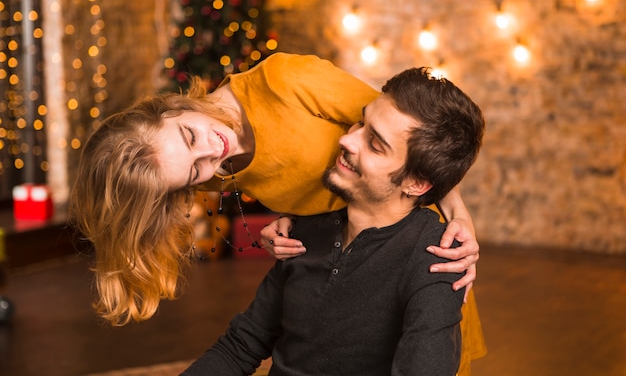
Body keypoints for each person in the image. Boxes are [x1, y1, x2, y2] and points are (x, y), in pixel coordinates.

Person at [68, 53, 485, 373]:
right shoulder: (200, 169)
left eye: (190, 134)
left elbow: (414, 137)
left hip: (394, 254)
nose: (214, 151)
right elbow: (242, 343)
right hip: (327, 246)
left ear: (172, 108)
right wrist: (290, 223)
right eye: (197, 169)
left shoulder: (283, 81)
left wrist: (458, 217)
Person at [181, 66, 485, 376]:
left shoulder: (436, 259)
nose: (348, 141)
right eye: (360, 123)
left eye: (375, 145)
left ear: (417, 184)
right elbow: (239, 347)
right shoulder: (306, 228)